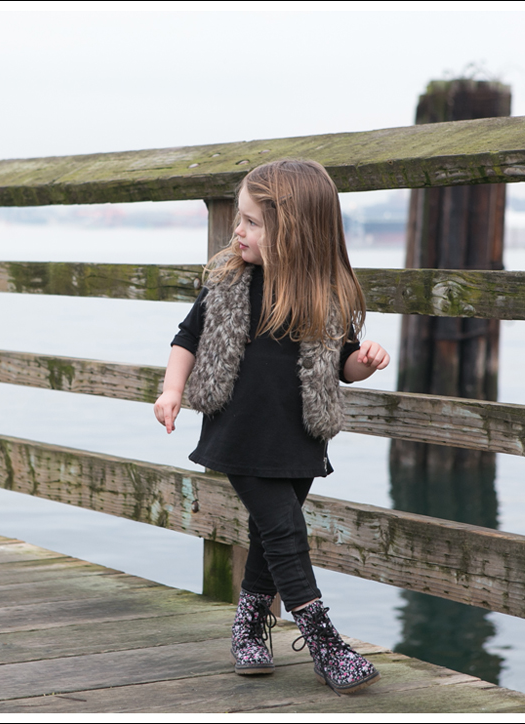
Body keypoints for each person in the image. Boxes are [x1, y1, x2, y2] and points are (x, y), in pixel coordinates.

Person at [153, 159, 389, 695]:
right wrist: (171, 391)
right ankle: (323, 640)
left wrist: (366, 360)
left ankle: (249, 628)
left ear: (295, 230)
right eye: (240, 218)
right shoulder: (229, 285)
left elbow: (341, 366)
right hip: (239, 429)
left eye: (253, 222)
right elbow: (185, 339)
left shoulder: (329, 296)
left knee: (269, 534)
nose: (238, 231)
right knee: (285, 531)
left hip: (300, 434)